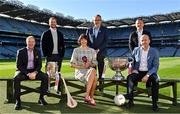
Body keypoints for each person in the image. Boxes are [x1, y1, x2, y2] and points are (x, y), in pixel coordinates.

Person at [126, 34, 159, 111]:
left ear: (149, 41)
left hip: (149, 72)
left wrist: (147, 75)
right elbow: (131, 60)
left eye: (146, 40)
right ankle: (130, 101)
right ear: (140, 42)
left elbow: (155, 67)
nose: (144, 42)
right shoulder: (136, 50)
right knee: (129, 78)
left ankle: (154, 103)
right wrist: (132, 68)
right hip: (138, 72)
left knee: (155, 80)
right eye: (142, 40)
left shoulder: (154, 51)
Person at [14, 36, 48, 110]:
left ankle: (41, 98)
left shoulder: (38, 51)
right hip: (23, 71)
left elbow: (39, 65)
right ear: (26, 42)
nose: (31, 43)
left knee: (45, 77)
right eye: (29, 41)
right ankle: (18, 100)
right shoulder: (20, 51)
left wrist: (35, 73)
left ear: (35, 43)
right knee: (16, 78)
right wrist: (28, 74)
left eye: (32, 41)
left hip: (34, 71)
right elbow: (18, 65)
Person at [70, 34, 98, 106]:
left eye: (85, 39)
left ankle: (87, 96)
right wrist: (82, 66)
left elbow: (95, 63)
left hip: (90, 70)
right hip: (80, 71)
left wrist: (89, 64)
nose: (83, 41)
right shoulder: (76, 50)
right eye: (82, 39)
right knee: (95, 77)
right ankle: (91, 98)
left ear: (87, 41)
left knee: (93, 71)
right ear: (80, 41)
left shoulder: (92, 51)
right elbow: (72, 64)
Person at [41, 16, 65, 93]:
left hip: (58, 56)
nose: (53, 23)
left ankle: (58, 89)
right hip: (50, 56)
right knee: (48, 74)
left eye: (54, 21)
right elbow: (42, 44)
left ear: (56, 23)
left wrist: (62, 55)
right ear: (49, 23)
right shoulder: (45, 33)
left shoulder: (60, 34)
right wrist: (46, 55)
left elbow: (63, 45)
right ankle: (46, 89)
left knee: (58, 74)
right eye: (51, 22)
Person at [128, 18, 152, 90]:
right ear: (135, 25)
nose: (139, 24)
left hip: (146, 53)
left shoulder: (147, 33)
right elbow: (130, 44)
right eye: (137, 23)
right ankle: (134, 88)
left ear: (143, 24)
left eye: (140, 23)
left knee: (148, 69)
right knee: (135, 71)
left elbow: (150, 42)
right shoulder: (132, 34)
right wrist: (134, 53)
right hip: (136, 55)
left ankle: (148, 89)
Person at [86, 14, 108, 91]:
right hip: (91, 54)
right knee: (92, 72)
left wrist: (98, 49)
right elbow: (87, 41)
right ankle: (93, 87)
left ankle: (101, 88)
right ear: (93, 21)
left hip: (101, 53)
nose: (97, 21)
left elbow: (106, 42)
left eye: (98, 20)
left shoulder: (105, 29)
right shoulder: (89, 30)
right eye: (95, 20)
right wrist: (92, 50)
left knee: (101, 72)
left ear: (101, 21)